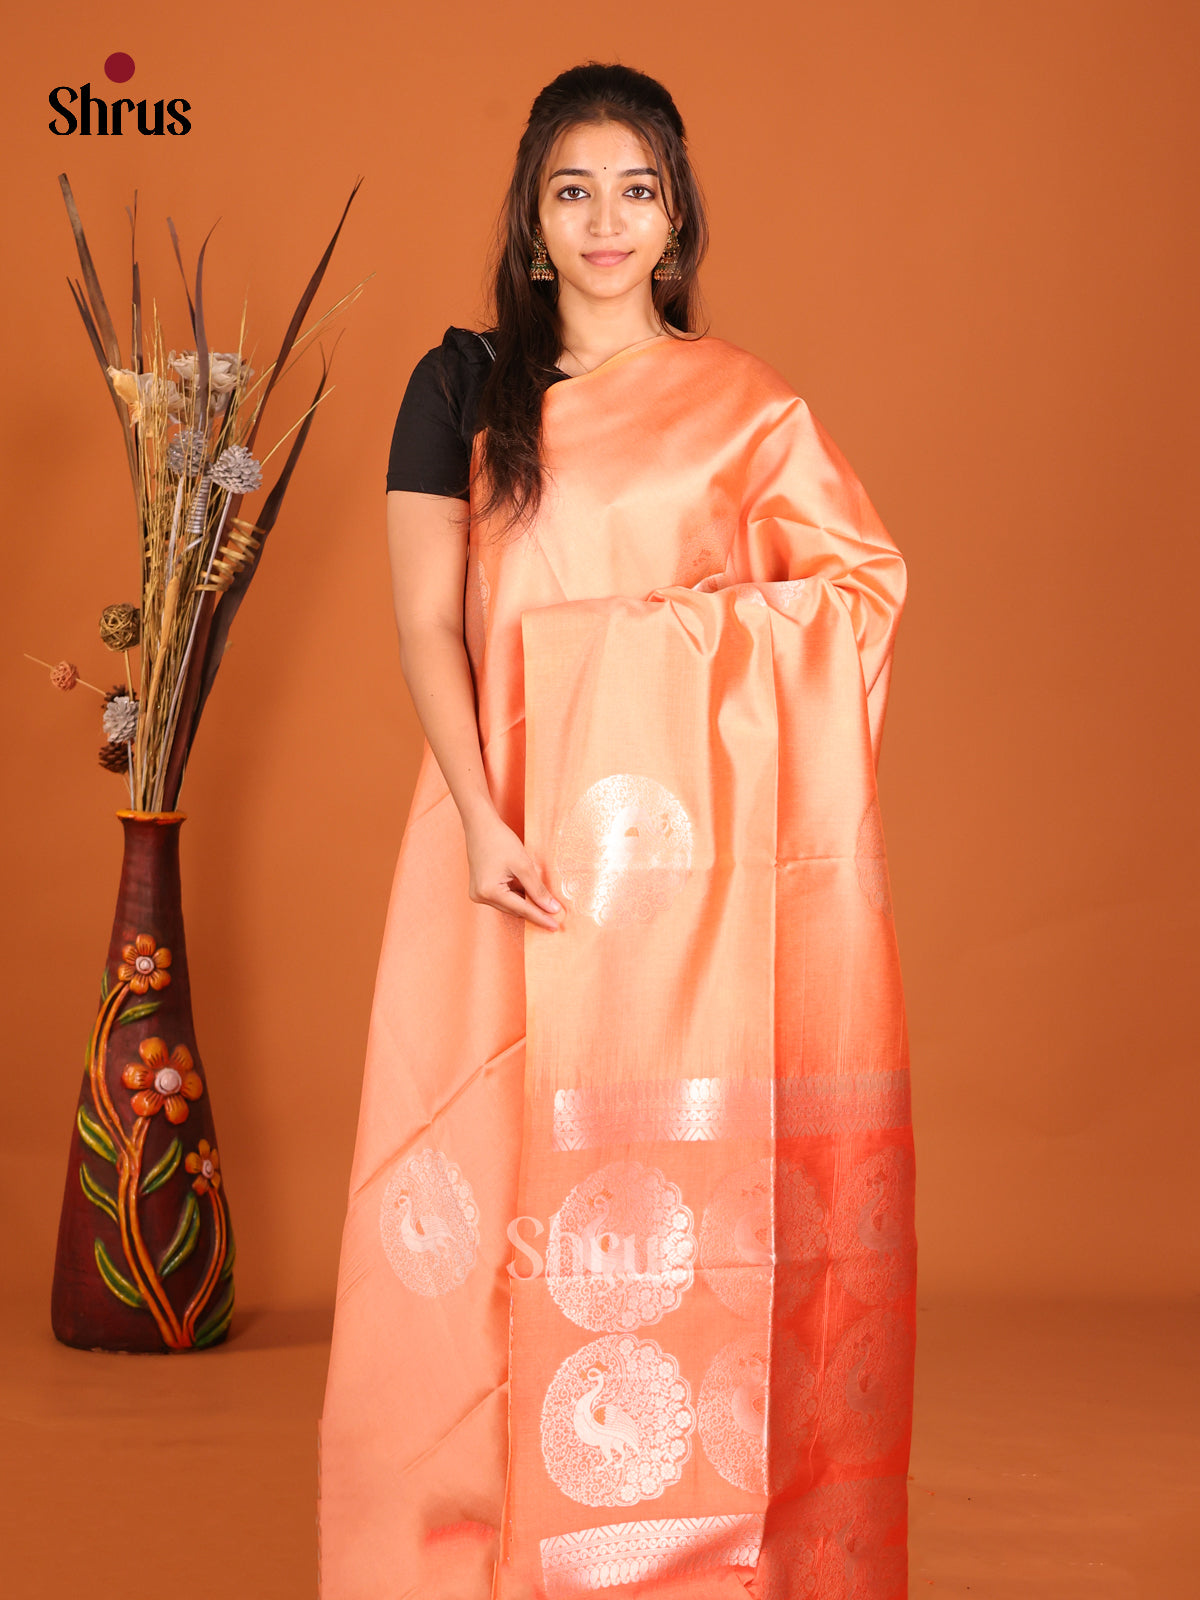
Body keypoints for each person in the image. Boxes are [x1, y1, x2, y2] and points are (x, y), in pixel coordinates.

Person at [319, 61, 916, 1600]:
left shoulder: (747, 410)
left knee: (668, 1204)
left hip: (681, 906)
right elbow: (428, 627)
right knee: (479, 1197)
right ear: (531, 219)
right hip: (499, 846)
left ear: (676, 218)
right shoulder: (463, 389)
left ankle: (683, 1555)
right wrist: (479, 815)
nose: (604, 220)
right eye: (572, 190)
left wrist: (640, 651)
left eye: (635, 191)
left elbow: (855, 598)